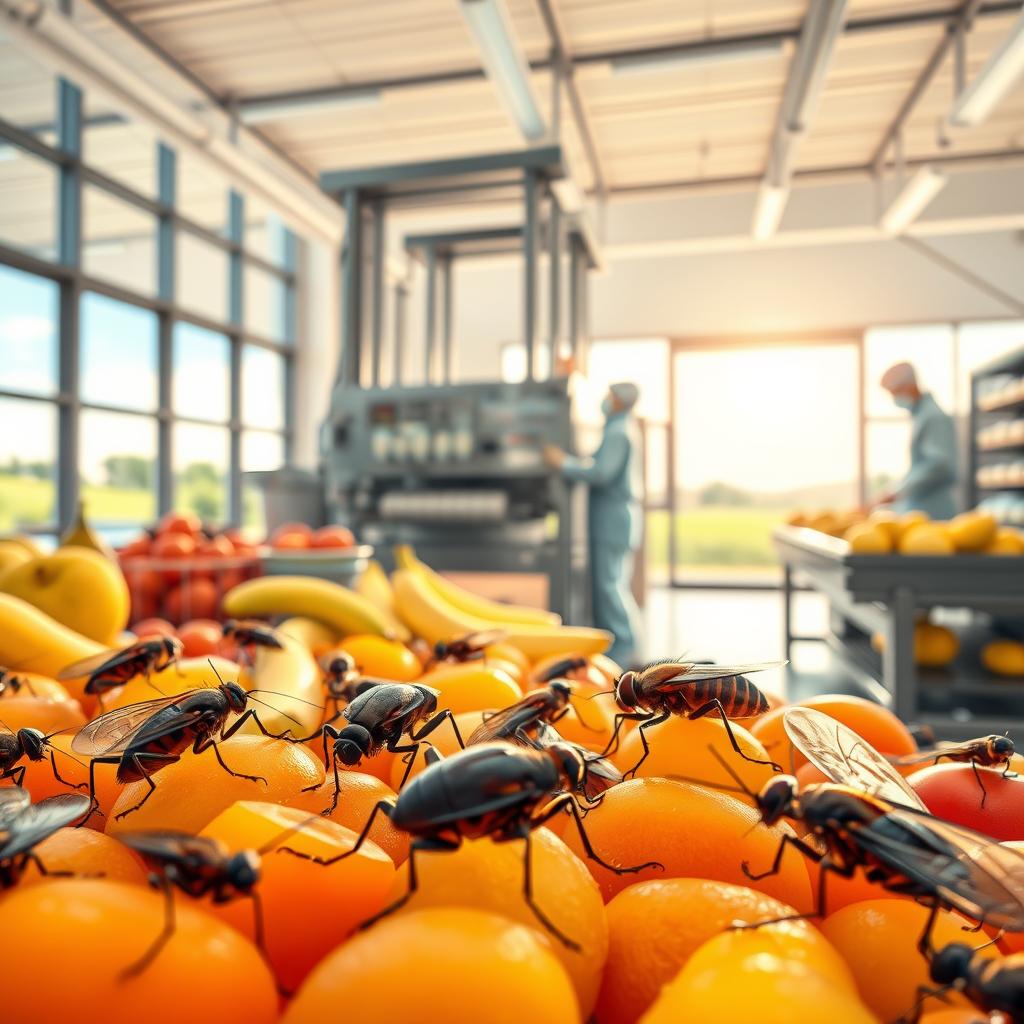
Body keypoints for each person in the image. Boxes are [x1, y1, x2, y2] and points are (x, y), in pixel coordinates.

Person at [543, 382, 643, 666]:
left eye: (610, 396)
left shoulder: (618, 432)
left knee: (611, 587)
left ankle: (622, 651)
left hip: (612, 519)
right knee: (614, 584)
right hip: (615, 518)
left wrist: (563, 463)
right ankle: (623, 647)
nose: (605, 400)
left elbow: (600, 473)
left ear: (621, 401)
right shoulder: (622, 429)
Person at [877, 362, 959, 519]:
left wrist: (898, 491)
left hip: (934, 511)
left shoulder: (933, 417)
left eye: (894, 393)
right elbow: (919, 466)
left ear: (909, 387)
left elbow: (939, 466)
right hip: (920, 511)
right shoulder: (921, 416)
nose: (894, 399)